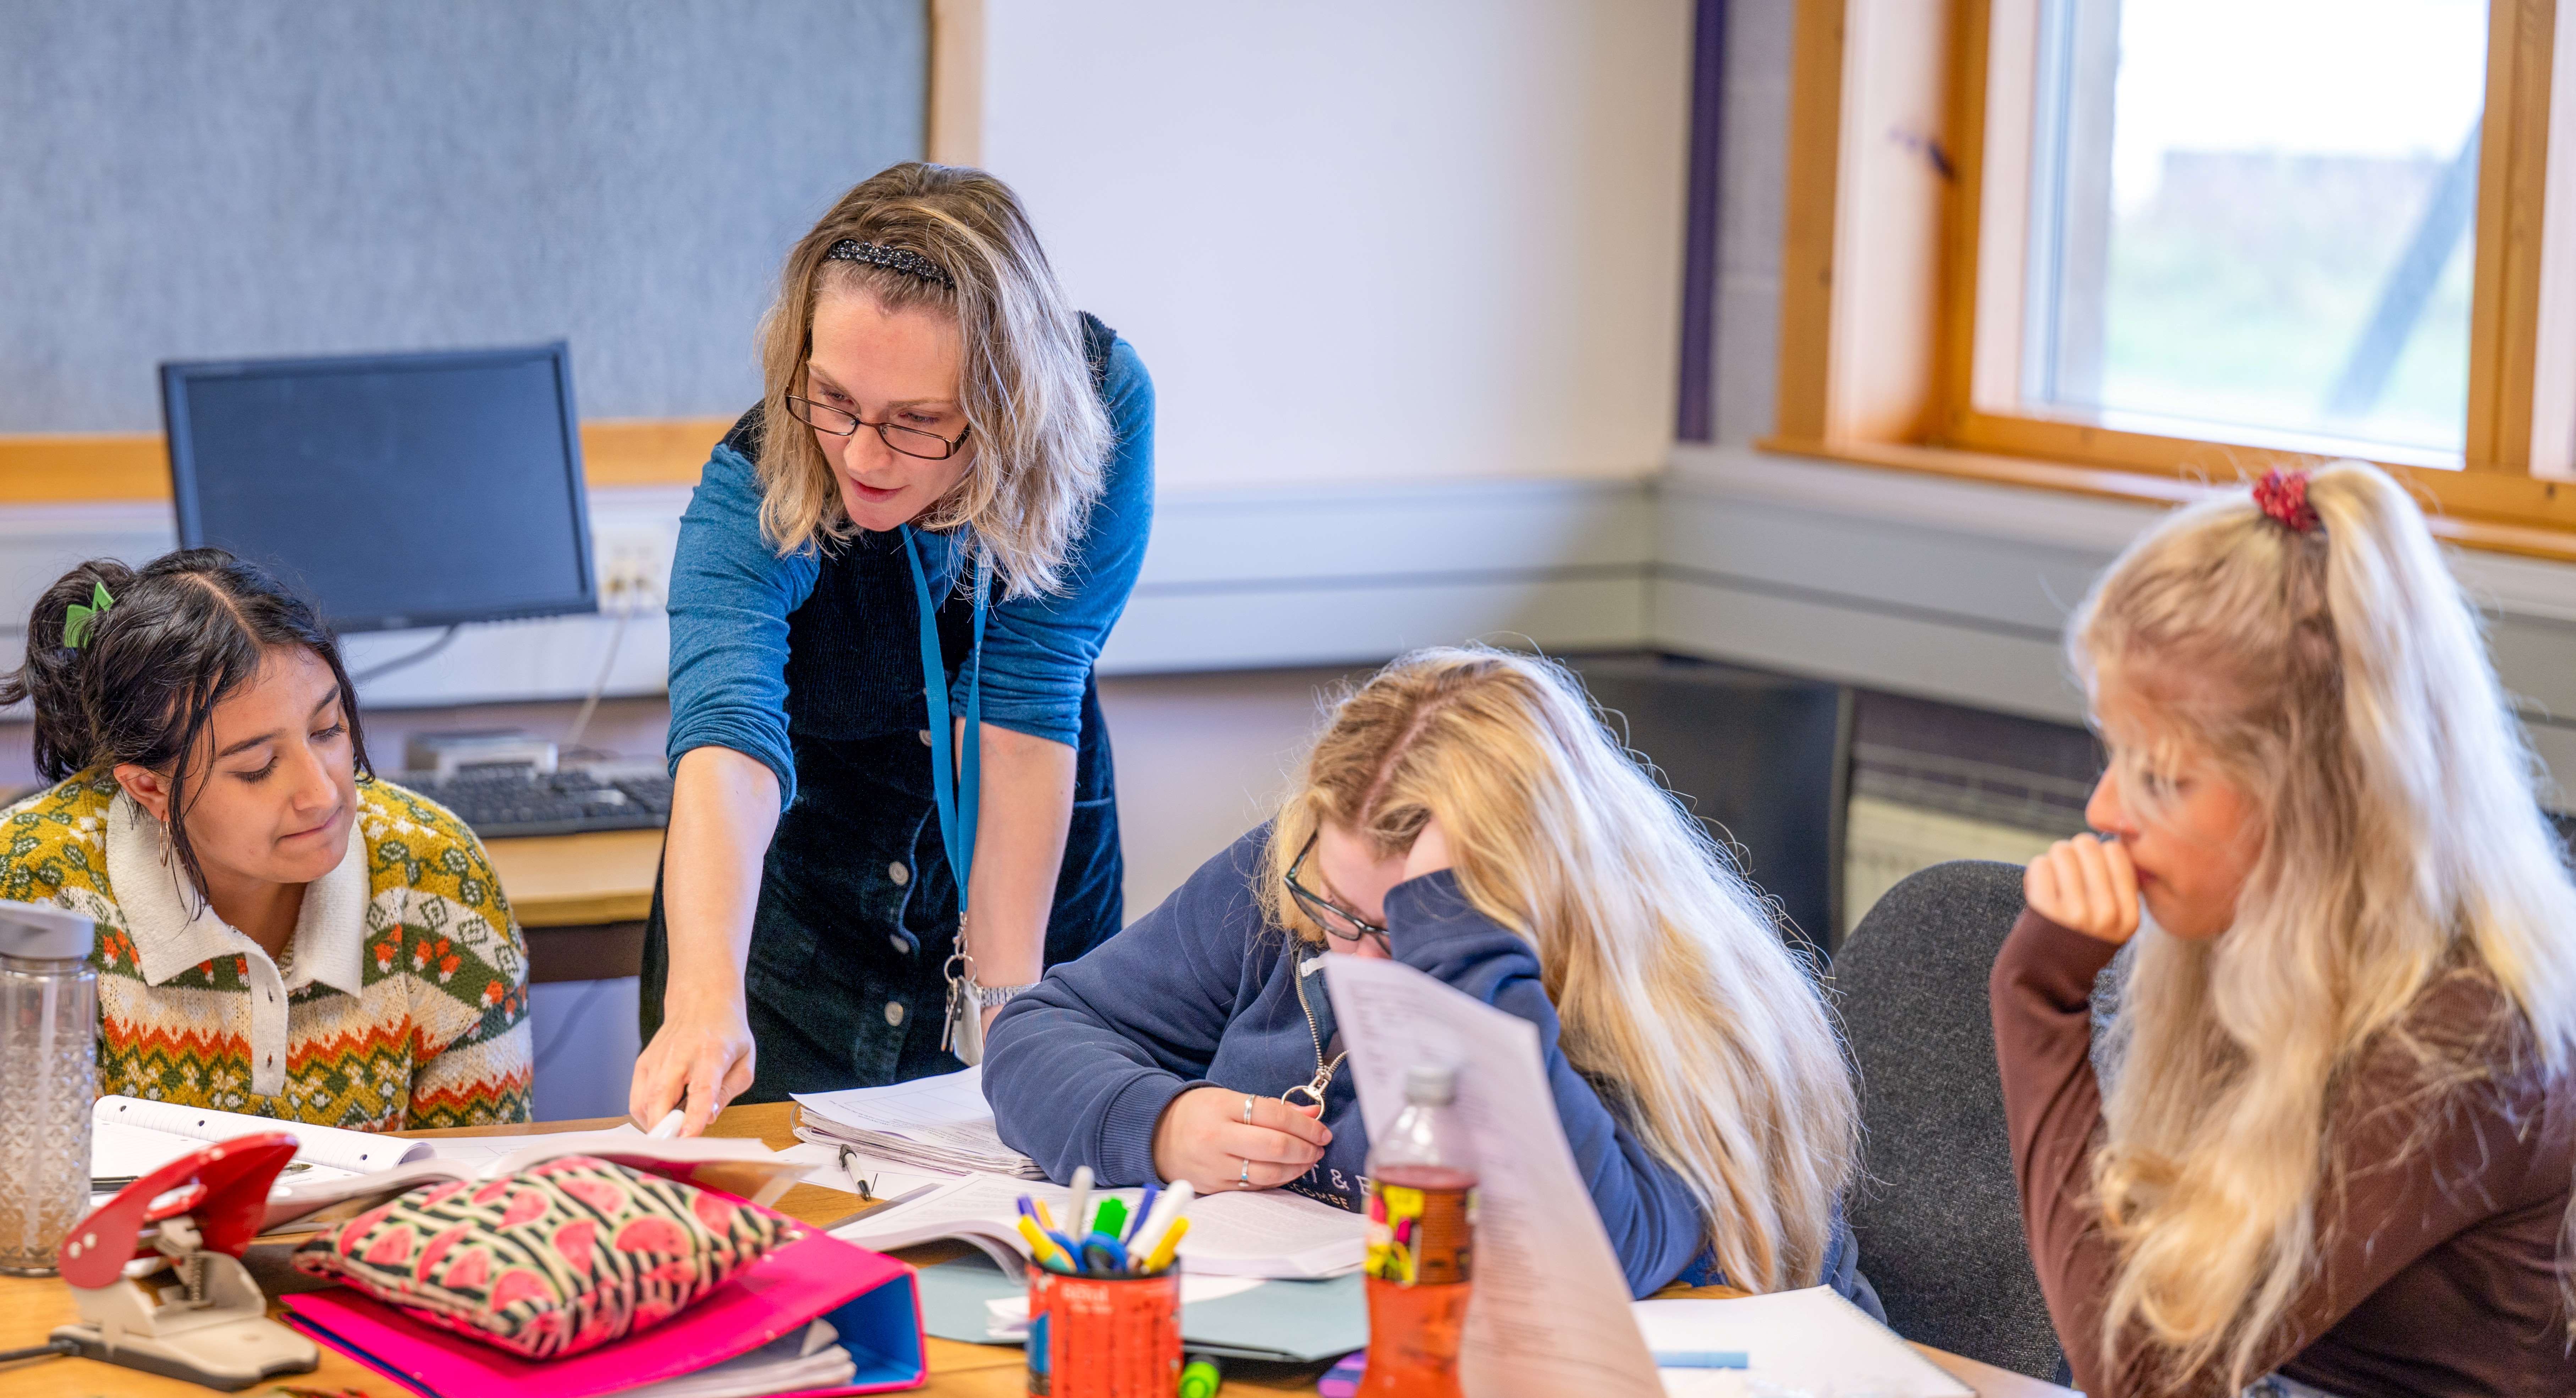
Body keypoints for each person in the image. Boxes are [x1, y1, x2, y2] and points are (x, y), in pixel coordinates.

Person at [984, 647, 1870, 1301]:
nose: (1356, 960)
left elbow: (1589, 1258)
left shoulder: (1671, 1012)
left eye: (1399, 929)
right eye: (1337, 911)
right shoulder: (1305, 874)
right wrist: (1162, 1124)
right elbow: (1035, 1034)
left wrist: (1459, 950)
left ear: (1532, 904)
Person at [1992, 463, 2576, 1397]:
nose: (2104, 806)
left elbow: (2146, 1376)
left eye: (2163, 778)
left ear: (2315, 800)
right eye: (2117, 757)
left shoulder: (2464, 1035)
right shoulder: (2261, 949)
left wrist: (2036, 999)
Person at [630, 162, 1153, 1132]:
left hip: (1020, 860)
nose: (863, 455)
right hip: (801, 910)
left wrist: (1008, 1024)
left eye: (918, 422)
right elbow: (726, 736)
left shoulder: (1098, 407)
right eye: (831, 398)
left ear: (1007, 403)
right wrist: (704, 998)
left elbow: (1026, 695)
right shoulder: (746, 493)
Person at [0, 550, 531, 1129]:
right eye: (256, 767)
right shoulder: (32, 890)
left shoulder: (436, 872)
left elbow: (485, 1193)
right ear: (148, 787)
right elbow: (32, 1193)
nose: (323, 794)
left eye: (328, 731)